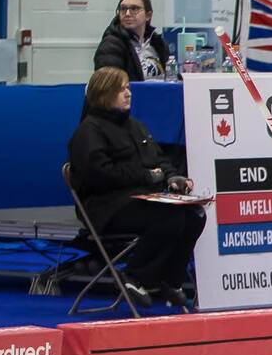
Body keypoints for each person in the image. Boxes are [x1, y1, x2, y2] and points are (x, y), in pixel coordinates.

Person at [66, 67, 206, 308]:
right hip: (108, 206)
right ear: (103, 94)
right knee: (168, 218)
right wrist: (145, 176)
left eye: (128, 88)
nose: (128, 94)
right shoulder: (88, 132)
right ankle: (135, 276)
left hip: (143, 198)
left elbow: (160, 160)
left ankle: (171, 278)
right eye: (121, 90)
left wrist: (173, 177)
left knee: (195, 214)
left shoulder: (136, 126)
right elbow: (99, 175)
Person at [93, 0, 172, 81]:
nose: (127, 14)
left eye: (134, 9)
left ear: (148, 15)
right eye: (123, 9)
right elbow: (109, 85)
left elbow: (171, 76)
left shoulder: (158, 44)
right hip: (132, 94)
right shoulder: (111, 45)